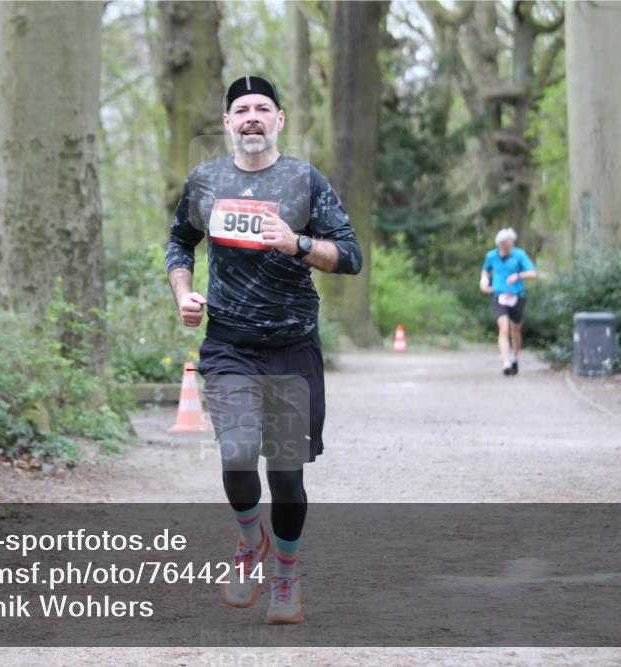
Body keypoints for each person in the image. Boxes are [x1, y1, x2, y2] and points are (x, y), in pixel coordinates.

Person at [165, 75, 362, 624]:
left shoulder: (304, 180)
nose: (252, 117)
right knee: (236, 451)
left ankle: (286, 579)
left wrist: (298, 244)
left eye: (263, 108)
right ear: (227, 123)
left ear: (280, 120)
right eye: (241, 109)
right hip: (229, 343)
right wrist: (184, 294)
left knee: (285, 474)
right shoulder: (205, 181)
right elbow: (180, 241)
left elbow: (350, 255)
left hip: (292, 346)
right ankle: (250, 543)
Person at [479, 228, 538, 375]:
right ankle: (506, 363)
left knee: (515, 331)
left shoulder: (519, 255)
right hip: (499, 295)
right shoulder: (491, 256)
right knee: (503, 329)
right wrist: (484, 281)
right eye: (505, 245)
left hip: (517, 295)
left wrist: (518, 276)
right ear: (500, 245)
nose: (508, 247)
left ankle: (515, 357)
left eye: (510, 244)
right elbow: (485, 269)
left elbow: (533, 273)